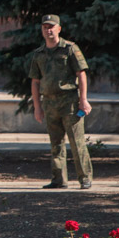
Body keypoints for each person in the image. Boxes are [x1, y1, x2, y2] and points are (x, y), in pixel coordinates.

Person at [29, 14, 93, 189]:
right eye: (45, 27)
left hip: (69, 102)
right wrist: (37, 107)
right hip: (50, 104)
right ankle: (59, 179)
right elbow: (35, 82)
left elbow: (81, 74)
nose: (48, 30)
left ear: (59, 29)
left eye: (51, 27)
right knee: (56, 144)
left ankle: (85, 178)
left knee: (77, 142)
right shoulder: (38, 54)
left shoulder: (70, 49)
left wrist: (83, 100)